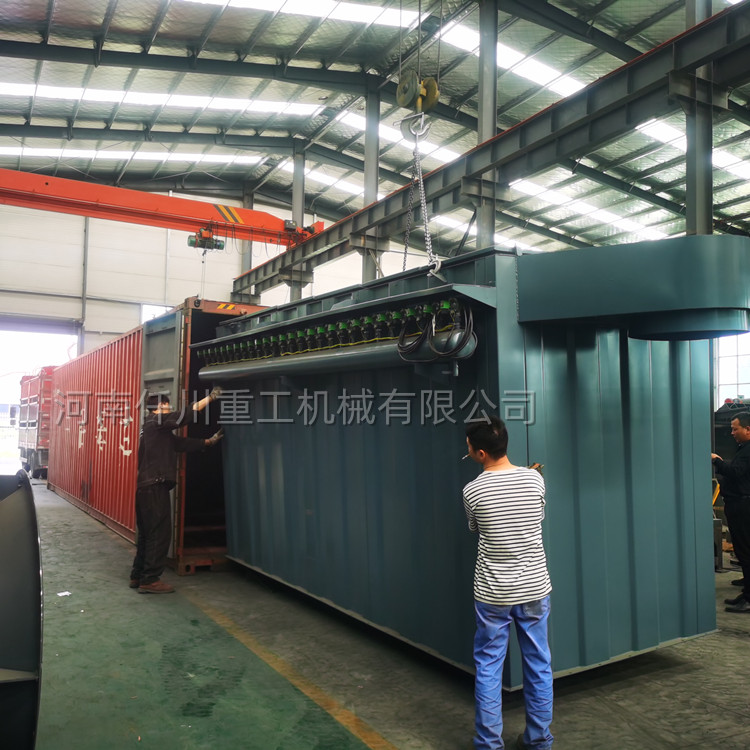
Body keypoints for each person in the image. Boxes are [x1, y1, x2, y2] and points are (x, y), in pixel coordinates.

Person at [463, 416, 553, 750]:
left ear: (481, 453)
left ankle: (488, 743)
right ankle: (539, 740)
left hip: (493, 593)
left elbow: (475, 528)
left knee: (489, 667)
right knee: (538, 663)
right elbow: (537, 517)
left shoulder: (472, 490)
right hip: (534, 588)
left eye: (469, 446)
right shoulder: (534, 480)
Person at [130, 388, 224, 594]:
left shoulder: (152, 430)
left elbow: (180, 443)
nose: (169, 409)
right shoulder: (155, 422)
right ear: (160, 406)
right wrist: (211, 398)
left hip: (145, 489)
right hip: (154, 488)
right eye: (167, 406)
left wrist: (209, 441)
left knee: (147, 535)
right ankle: (150, 580)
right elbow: (183, 416)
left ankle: (137, 575)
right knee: (159, 534)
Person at [712, 411, 750, 613]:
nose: (732, 433)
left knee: (745, 551)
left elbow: (735, 472)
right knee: (743, 550)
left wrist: (717, 461)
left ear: (748, 429)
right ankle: (747, 591)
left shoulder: (747, 451)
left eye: (735, 429)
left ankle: (749, 598)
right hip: (739, 505)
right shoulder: (744, 448)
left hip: (742, 506)